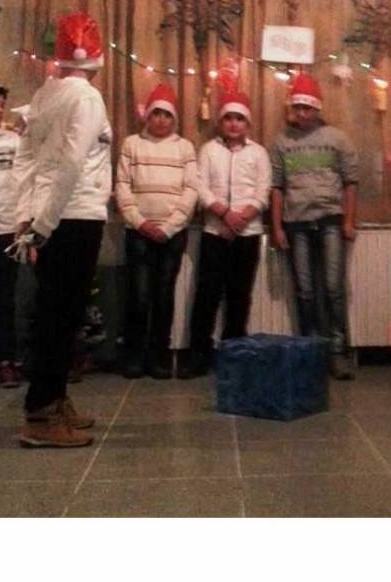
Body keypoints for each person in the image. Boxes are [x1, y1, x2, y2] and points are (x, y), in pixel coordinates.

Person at [12, 11, 113, 448]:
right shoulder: (86, 97)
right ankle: (40, 415)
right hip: (74, 217)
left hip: (51, 216)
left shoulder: (45, 94)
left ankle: (54, 399)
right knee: (61, 317)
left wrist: (28, 216)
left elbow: (26, 158)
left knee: (56, 314)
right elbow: (71, 162)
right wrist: (44, 224)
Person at [270, 72, 358, 380]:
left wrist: (349, 220)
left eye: (307, 107)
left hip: (330, 220)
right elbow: (277, 187)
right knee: (304, 290)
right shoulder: (282, 142)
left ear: (317, 108)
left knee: (333, 288)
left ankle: (337, 351)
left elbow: (350, 182)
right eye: (298, 107)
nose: (303, 113)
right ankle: (309, 350)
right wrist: (277, 227)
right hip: (296, 223)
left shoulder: (337, 139)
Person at [180, 90, 271, 379]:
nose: (233, 123)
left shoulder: (258, 153)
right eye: (228, 118)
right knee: (207, 294)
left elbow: (263, 191)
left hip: (248, 232)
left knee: (239, 295)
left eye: (239, 119)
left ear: (247, 123)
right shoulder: (208, 150)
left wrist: (243, 216)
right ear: (221, 122)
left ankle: (233, 355)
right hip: (214, 232)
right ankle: (198, 354)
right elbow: (200, 186)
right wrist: (223, 212)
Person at [115, 83, 198, 380]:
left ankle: (160, 356)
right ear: (147, 116)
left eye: (167, 115)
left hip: (172, 234)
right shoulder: (131, 144)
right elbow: (122, 186)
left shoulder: (184, 147)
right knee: (139, 296)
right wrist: (140, 222)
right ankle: (134, 356)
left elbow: (191, 189)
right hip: (139, 231)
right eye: (156, 114)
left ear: (173, 118)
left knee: (164, 296)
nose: (161, 120)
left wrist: (170, 226)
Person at [0, 82, 22, 388]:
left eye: (1, 104)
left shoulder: (12, 141)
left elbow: (23, 180)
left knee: (4, 298)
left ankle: (4, 360)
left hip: (5, 229)